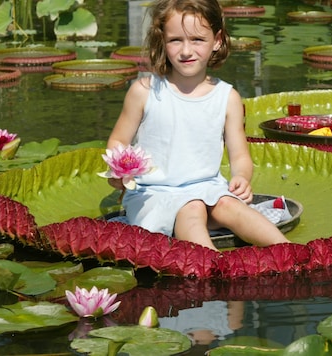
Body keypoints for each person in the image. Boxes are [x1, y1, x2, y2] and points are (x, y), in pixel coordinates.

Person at [105, 0, 290, 251]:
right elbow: (117, 142)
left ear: (217, 40)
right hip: (155, 193)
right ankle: (211, 269)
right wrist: (119, 172)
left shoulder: (227, 97)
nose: (186, 51)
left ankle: (291, 253)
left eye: (197, 40)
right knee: (191, 208)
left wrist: (242, 178)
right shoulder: (144, 91)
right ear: (162, 41)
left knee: (230, 205)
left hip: (207, 188)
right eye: (175, 40)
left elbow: (239, 156)